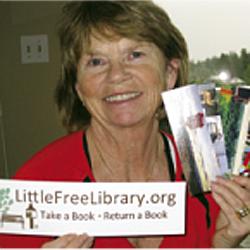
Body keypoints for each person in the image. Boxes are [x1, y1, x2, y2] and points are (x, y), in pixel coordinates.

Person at [1, 0, 250, 248]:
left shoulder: (207, 173)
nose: (117, 75)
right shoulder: (37, 183)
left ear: (169, 74)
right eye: (96, 62)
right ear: (78, 88)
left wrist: (224, 243)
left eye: (135, 55)